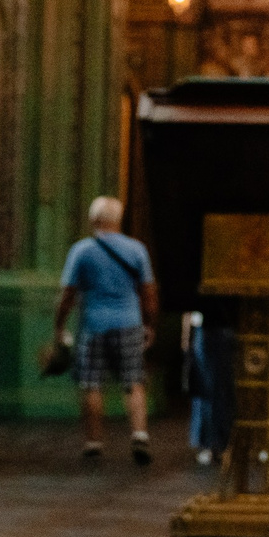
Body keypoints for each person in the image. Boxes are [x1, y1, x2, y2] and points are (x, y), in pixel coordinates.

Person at [52, 197, 158, 464]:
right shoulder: (137, 250)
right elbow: (148, 291)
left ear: (93, 220)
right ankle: (140, 435)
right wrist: (150, 323)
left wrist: (59, 325)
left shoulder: (82, 251)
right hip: (129, 323)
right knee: (133, 382)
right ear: (119, 220)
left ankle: (94, 442)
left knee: (92, 384)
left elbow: (67, 294)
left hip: (94, 325)